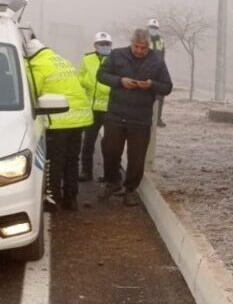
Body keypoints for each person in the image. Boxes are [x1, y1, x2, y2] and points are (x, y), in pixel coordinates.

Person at [98, 28, 172, 206]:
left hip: (140, 117)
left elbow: (167, 87)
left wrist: (151, 85)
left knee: (137, 156)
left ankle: (130, 190)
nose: (139, 51)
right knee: (110, 151)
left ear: (148, 46)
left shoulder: (157, 60)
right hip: (116, 114)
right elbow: (101, 75)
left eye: (143, 48)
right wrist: (120, 81)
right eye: (136, 47)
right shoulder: (117, 55)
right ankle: (112, 182)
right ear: (131, 43)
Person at [25, 38, 93, 211]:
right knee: (72, 159)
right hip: (79, 118)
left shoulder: (36, 65)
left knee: (54, 161)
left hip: (59, 119)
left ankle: (52, 198)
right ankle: (71, 199)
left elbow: (31, 94)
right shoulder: (60, 59)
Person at [78, 32, 113, 182]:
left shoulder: (115, 60)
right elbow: (80, 77)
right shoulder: (87, 59)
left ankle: (109, 174)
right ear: (95, 45)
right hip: (91, 108)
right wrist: (85, 80)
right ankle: (86, 171)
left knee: (110, 144)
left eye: (107, 44)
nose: (105, 47)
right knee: (88, 142)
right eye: (102, 44)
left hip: (109, 108)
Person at [147, 18, 167, 127]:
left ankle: (157, 118)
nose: (153, 30)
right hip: (145, 71)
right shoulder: (144, 39)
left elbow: (163, 55)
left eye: (155, 28)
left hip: (158, 71)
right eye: (151, 28)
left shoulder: (161, 40)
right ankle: (147, 117)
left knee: (160, 96)